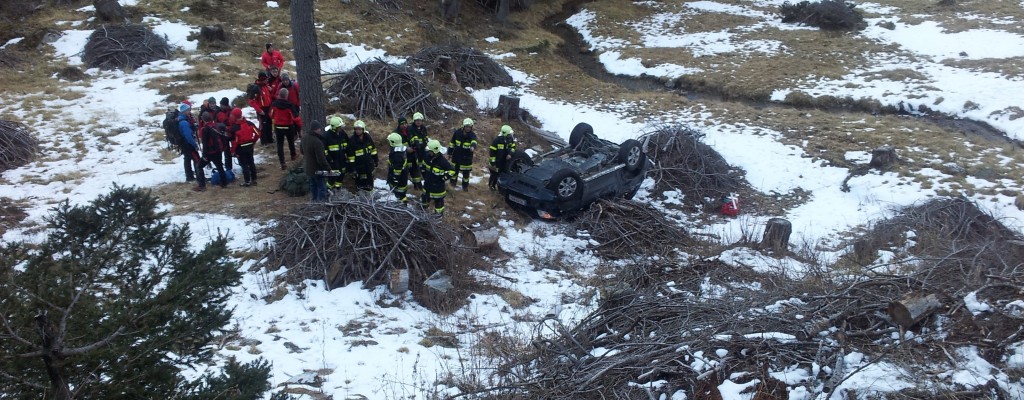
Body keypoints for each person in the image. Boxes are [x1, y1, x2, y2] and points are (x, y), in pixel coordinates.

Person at [269, 87, 301, 170]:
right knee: (291, 142)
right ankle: (293, 155)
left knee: (280, 144)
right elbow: (295, 117)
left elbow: (271, 114)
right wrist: (301, 125)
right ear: (286, 95)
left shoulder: (274, 104)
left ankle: (282, 162)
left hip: (278, 126)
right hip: (288, 126)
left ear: (279, 94)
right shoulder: (289, 105)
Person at [421, 139, 456, 215]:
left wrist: (443, 179)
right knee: (424, 198)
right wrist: (423, 173)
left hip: (438, 187)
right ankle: (423, 212)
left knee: (439, 202)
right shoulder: (427, 157)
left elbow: (452, 171)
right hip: (427, 184)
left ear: (435, 151)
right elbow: (423, 165)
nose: (428, 152)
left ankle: (438, 216)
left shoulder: (442, 161)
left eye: (430, 151)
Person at [229, 107, 260, 187]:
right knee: (251, 162)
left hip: (240, 148)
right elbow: (258, 133)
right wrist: (253, 142)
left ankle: (247, 181)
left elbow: (234, 142)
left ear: (235, 116)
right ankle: (254, 179)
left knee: (244, 164)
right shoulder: (250, 123)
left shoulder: (234, 128)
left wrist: (233, 151)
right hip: (250, 146)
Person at [302, 121, 331, 202]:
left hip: (308, 168)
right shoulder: (317, 142)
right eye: (319, 129)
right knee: (322, 187)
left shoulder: (304, 138)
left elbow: (302, 151)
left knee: (313, 186)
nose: (320, 130)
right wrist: (328, 168)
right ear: (316, 129)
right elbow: (321, 159)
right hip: (317, 170)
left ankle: (313, 202)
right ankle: (321, 204)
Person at [347, 120, 378, 191]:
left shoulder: (368, 137)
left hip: (369, 164)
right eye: (356, 129)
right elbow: (351, 156)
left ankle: (370, 196)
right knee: (360, 183)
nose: (358, 131)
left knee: (369, 181)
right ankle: (360, 195)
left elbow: (373, 150)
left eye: (360, 129)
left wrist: (376, 160)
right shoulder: (352, 140)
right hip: (359, 166)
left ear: (363, 129)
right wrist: (353, 169)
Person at [199, 112, 228, 189]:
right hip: (218, 150)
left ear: (203, 119)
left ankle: (202, 185)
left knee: (199, 166)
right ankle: (224, 183)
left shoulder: (205, 129)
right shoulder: (216, 126)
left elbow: (205, 143)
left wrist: (204, 155)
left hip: (209, 152)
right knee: (220, 167)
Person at [176, 103, 201, 188]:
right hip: (188, 144)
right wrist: (195, 145)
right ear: (184, 111)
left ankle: (189, 177)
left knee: (187, 159)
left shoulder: (180, 119)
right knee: (197, 159)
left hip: (183, 144)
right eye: (188, 110)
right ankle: (199, 177)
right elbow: (188, 136)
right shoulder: (184, 123)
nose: (190, 112)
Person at [449, 118, 478, 191]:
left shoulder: (472, 135)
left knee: (466, 174)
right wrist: (449, 153)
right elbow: (452, 143)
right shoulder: (457, 133)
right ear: (463, 126)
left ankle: (465, 186)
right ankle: (452, 183)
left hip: (466, 157)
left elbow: (474, 141)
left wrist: (473, 146)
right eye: (466, 126)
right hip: (456, 156)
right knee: (454, 171)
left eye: (469, 127)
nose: (468, 128)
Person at [488, 124, 518, 190]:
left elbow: (513, 148)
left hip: (504, 162)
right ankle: (491, 186)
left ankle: (500, 187)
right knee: (494, 175)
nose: (511, 135)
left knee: (502, 175)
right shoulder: (497, 141)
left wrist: (510, 154)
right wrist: (493, 164)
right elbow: (492, 153)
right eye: (510, 133)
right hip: (496, 162)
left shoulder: (510, 140)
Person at [248, 72, 274, 146]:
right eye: (265, 79)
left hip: (268, 108)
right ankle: (264, 142)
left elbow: (268, 97)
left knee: (269, 124)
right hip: (262, 109)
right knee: (263, 125)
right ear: (262, 79)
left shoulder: (265, 86)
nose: (267, 80)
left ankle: (270, 140)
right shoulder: (256, 88)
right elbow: (251, 101)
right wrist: (259, 110)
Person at [324, 116, 349, 189]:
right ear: (334, 127)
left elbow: (348, 144)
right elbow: (324, 151)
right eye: (339, 127)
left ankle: (338, 189)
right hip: (333, 162)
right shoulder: (327, 136)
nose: (340, 128)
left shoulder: (342, 133)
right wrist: (330, 160)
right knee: (332, 178)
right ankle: (328, 191)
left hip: (342, 160)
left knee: (341, 176)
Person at [386, 132, 410, 204]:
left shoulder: (397, 155)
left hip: (399, 178)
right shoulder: (401, 150)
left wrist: (395, 179)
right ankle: (402, 202)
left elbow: (397, 170)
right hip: (403, 176)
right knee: (401, 193)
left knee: (399, 193)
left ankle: (402, 205)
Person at [408, 112, 429, 191]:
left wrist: (426, 143)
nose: (418, 122)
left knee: (423, 166)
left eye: (419, 120)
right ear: (414, 121)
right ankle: (417, 185)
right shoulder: (411, 128)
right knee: (415, 168)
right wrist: (416, 143)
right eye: (416, 120)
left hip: (423, 150)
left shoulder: (423, 128)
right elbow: (411, 138)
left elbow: (426, 137)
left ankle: (426, 183)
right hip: (414, 151)